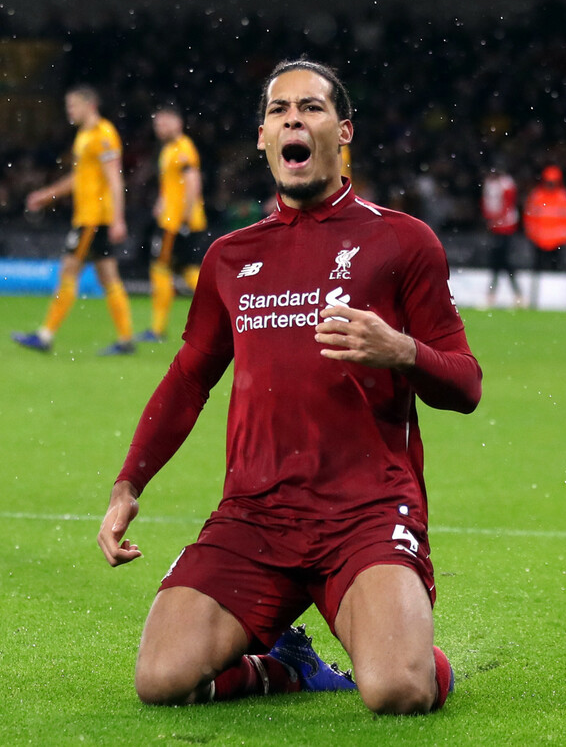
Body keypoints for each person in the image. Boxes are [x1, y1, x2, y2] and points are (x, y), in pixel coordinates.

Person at [98, 59, 481, 716]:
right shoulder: (231, 257)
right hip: (255, 514)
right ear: (262, 138)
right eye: (279, 111)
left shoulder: (402, 240)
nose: (293, 119)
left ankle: (409, 653)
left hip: (365, 511)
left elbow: (465, 383)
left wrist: (401, 351)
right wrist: (128, 484)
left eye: (311, 107)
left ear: (344, 131)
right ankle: (283, 668)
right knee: (161, 679)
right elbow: (190, 378)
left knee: (396, 690)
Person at [12, 86, 134, 355]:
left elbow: (115, 178)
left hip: (93, 218)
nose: (70, 112)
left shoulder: (103, 135)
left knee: (68, 271)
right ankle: (126, 340)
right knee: (108, 276)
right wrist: (46, 195)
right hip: (92, 216)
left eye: (73, 106)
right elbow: (80, 179)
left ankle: (45, 336)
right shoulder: (84, 136)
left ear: (90, 105)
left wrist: (118, 219)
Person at [136, 106, 208, 344]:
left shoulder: (182, 148)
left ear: (177, 122)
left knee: (160, 269)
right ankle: (223, 310)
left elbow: (192, 182)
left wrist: (184, 217)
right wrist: (161, 202)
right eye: (157, 124)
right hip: (173, 218)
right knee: (187, 269)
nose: (160, 128)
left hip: (176, 222)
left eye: (164, 123)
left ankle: (157, 329)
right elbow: (172, 185)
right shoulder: (168, 149)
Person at [521, 164, 566, 309]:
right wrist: (533, 235)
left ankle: (556, 302)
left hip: (558, 243)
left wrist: (564, 237)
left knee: (556, 273)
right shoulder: (537, 196)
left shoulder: (564, 198)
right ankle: (537, 300)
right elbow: (529, 218)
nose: (551, 185)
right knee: (539, 271)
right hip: (539, 242)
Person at [480, 164, 524, 309]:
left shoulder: (506, 184)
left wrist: (494, 219)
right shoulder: (491, 184)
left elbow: (507, 205)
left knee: (500, 261)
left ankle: (495, 295)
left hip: (506, 227)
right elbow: (486, 203)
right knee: (501, 261)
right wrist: (491, 219)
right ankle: (516, 295)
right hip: (497, 227)